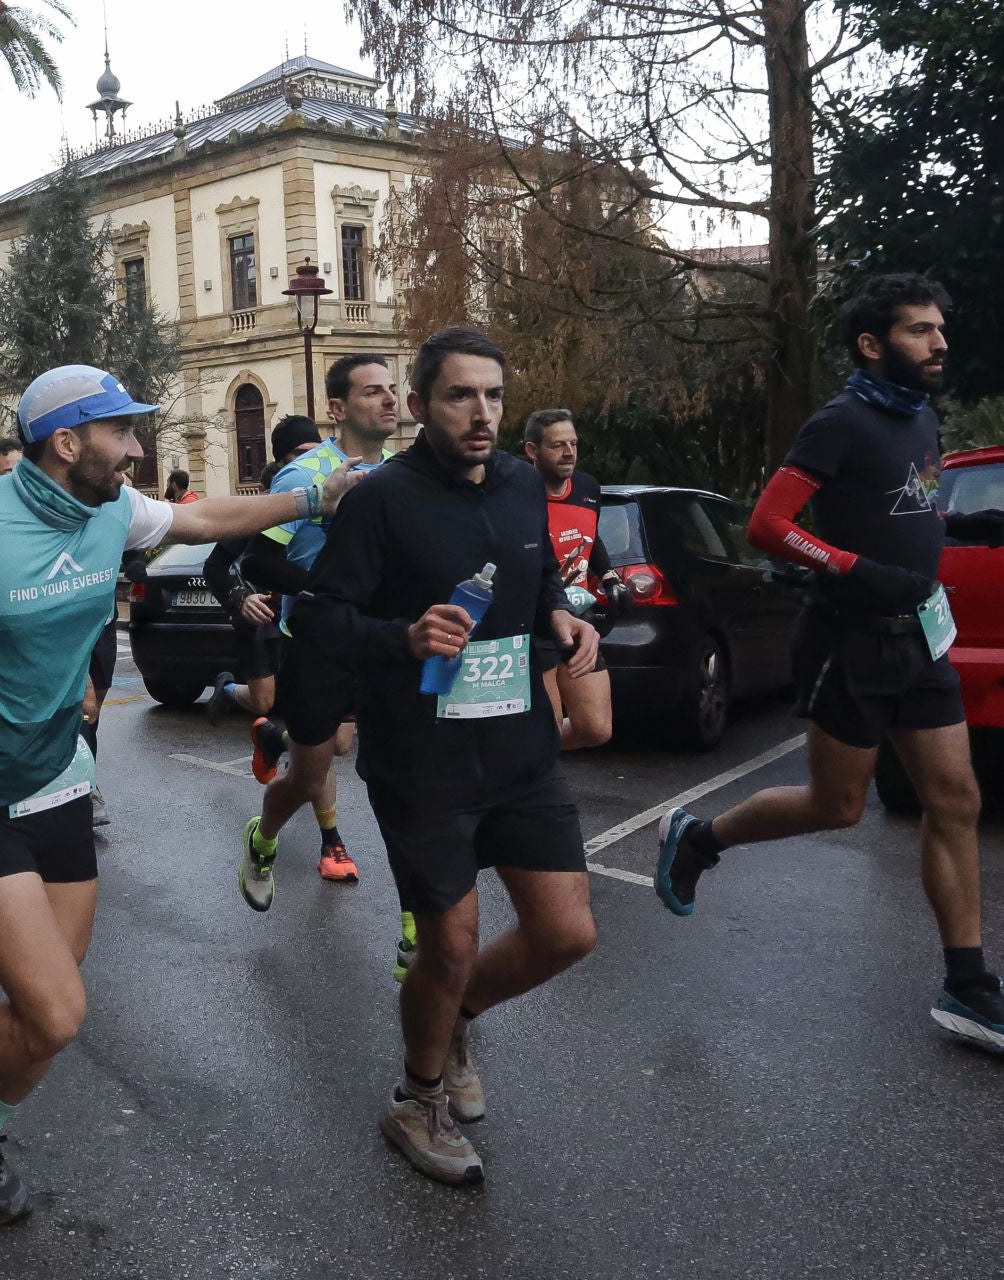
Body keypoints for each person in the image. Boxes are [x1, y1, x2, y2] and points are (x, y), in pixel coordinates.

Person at [0, 364, 362, 1224]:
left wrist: (314, 500)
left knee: (52, 1000)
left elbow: (207, 518)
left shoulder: (114, 510)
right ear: (67, 443)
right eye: (121, 431)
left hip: (59, 776)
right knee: (56, 1011)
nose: (136, 447)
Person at [653, 272, 1004, 1054]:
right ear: (872, 345)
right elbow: (768, 525)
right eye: (919, 330)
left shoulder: (920, 416)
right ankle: (700, 839)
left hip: (920, 636)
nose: (940, 343)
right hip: (849, 640)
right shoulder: (838, 423)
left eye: (940, 328)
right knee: (836, 806)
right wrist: (852, 568)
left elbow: (903, 503)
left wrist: (957, 526)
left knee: (956, 799)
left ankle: (969, 986)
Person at [297, 326, 603, 1187]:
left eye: (494, 395)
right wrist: (404, 635)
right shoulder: (382, 500)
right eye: (461, 395)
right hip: (422, 760)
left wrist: (560, 614)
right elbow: (319, 618)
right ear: (420, 406)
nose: (482, 413)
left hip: (519, 749)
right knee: (450, 944)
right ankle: (417, 1097)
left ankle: (455, 1017)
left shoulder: (520, 482)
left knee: (567, 931)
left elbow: (534, 578)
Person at [236, 356, 400, 905]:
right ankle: (264, 837)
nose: (388, 399)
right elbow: (259, 560)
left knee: (398, 774)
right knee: (310, 777)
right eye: (372, 391)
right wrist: (325, 595)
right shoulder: (305, 475)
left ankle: (417, 918)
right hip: (316, 646)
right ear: (337, 407)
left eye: (392, 389)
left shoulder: (404, 475)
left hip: (383, 643)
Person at [203, 416, 324, 770]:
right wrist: (241, 598)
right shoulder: (260, 512)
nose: (310, 462)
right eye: (300, 454)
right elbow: (214, 566)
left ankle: (288, 752)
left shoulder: (322, 505)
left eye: (316, 453)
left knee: (317, 718)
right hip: (258, 619)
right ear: (282, 461)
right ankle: (227, 689)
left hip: (297, 621)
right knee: (263, 702)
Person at [522, 409, 617, 749]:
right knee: (545, 732)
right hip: (536, 624)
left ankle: (532, 752)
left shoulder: (588, 487)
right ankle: (536, 761)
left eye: (573, 444)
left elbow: (589, 535)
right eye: (557, 445)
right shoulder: (518, 494)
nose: (569, 453)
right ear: (532, 450)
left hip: (578, 620)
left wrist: (609, 575)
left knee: (596, 729)